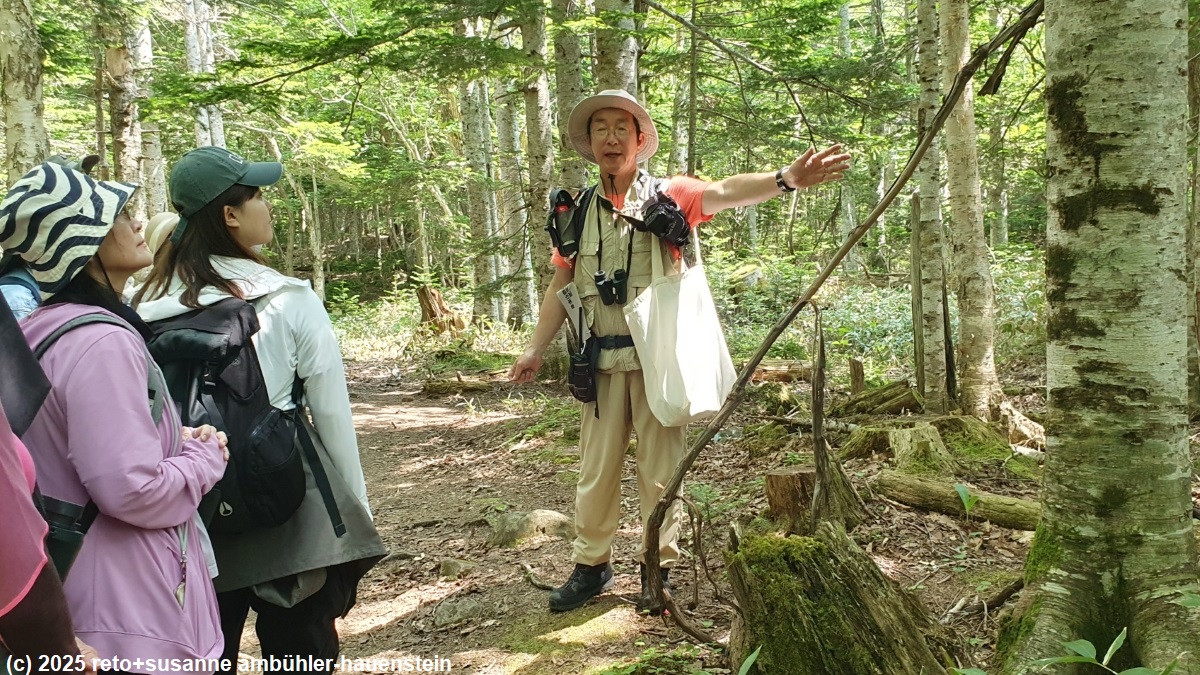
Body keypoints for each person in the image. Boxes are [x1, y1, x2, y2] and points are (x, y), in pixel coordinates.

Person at [508, 89, 851, 613]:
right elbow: (561, 284)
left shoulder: (670, 196)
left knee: (661, 471)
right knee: (595, 471)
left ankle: (657, 569)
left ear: (639, 138)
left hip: (660, 362)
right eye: (600, 128)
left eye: (621, 127)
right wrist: (535, 348)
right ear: (589, 142)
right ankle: (591, 566)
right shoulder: (574, 214)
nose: (611, 138)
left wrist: (785, 178)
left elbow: (724, 192)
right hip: (599, 363)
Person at [134, 146, 386, 672]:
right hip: (286, 502)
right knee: (300, 652)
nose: (267, 206)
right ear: (230, 215)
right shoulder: (288, 298)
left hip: (188, 509)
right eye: (258, 196)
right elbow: (331, 413)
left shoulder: (141, 304)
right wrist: (355, 513)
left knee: (205, 654)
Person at [1, 162, 230, 671]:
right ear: (83, 243)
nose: (136, 222)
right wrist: (205, 457)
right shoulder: (102, 341)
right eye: (120, 215)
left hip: (79, 593)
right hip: (128, 613)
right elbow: (131, 489)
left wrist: (172, 438)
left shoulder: (38, 329)